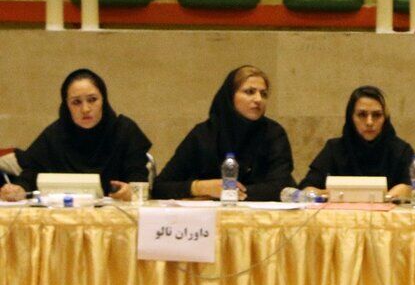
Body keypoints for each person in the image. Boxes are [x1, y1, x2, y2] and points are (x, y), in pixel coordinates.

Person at [0, 68, 151, 202]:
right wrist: (18, 190)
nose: (85, 109)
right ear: (66, 105)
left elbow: (139, 182)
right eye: (76, 102)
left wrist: (131, 192)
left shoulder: (125, 132)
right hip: (61, 221)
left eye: (92, 100)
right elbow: (31, 176)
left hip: (116, 222)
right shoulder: (54, 136)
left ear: (103, 100)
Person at [153, 65, 295, 201]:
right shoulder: (204, 135)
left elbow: (281, 187)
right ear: (230, 96)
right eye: (249, 92)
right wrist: (201, 187)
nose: (258, 99)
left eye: (263, 94)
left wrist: (228, 193)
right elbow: (160, 187)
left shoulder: (273, 133)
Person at [299, 86, 415, 202]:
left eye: (377, 115)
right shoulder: (334, 149)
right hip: (342, 219)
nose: (369, 122)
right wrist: (330, 194)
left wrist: (398, 193)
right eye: (362, 115)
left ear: (385, 118)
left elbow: (412, 189)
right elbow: (306, 189)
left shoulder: (401, 151)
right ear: (351, 118)